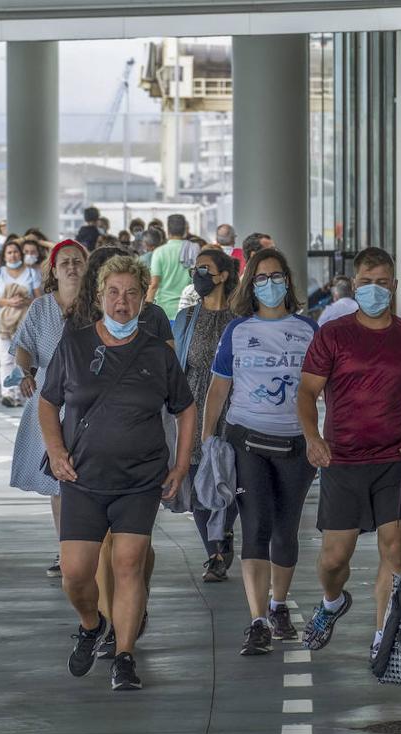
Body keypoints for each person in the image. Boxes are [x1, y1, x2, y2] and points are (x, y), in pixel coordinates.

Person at [39, 254, 196, 691]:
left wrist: (180, 465)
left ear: (144, 296)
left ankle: (124, 656)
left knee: (128, 563)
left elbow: (185, 409)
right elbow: (48, 401)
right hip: (82, 478)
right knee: (75, 573)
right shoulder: (75, 345)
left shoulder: (156, 353)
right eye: (113, 292)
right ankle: (92, 625)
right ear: (99, 295)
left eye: (130, 293)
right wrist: (54, 449)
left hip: (140, 479)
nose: (121, 302)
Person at [297, 247, 401, 656]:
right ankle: (332, 601)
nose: (375, 290)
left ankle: (382, 637)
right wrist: (312, 437)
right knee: (335, 558)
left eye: (383, 283)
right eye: (367, 283)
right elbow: (306, 391)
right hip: (343, 460)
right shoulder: (333, 335)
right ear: (355, 286)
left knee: (395, 547)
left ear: (395, 286)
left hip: (395, 459)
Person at [201, 248, 319, 655]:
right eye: (262, 278)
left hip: (295, 443)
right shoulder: (236, 330)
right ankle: (257, 621)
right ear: (251, 285)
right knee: (256, 527)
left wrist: (325, 436)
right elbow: (218, 388)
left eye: (276, 276)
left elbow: (326, 387)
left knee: (286, 532)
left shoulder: (308, 329)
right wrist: (207, 440)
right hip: (245, 439)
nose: (270, 284)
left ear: (288, 280)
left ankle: (278, 604)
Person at [13, 240, 89, 577]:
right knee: (58, 480)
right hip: (49, 402)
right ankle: (65, 551)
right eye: (64, 263)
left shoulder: (96, 305)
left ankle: (89, 548)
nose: (71, 267)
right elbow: (23, 347)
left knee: (86, 480)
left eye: (77, 261)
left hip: (90, 403)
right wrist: (26, 372)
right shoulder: (41, 308)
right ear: (54, 271)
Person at [172, 248, 240, 582]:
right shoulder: (185, 318)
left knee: (233, 477)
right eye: (195, 268)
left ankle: (225, 530)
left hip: (235, 408)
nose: (197, 275)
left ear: (223, 276)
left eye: (205, 269)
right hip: (194, 408)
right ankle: (213, 552)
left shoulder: (241, 319)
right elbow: (176, 363)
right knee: (200, 480)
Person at [0, 239, 42, 407]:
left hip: (25, 322)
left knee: (22, 359)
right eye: (9, 252)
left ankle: (20, 393)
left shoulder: (32, 273)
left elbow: (38, 297)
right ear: (4, 255)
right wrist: (8, 302)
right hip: (3, 322)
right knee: (5, 358)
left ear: (21, 254)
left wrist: (26, 302)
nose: (13, 255)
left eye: (16, 252)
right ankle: (8, 393)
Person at [147, 213, 198, 320]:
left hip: (164, 310)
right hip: (189, 308)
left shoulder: (159, 252)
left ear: (167, 231)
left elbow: (154, 284)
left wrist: (146, 309)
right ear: (185, 230)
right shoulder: (194, 249)